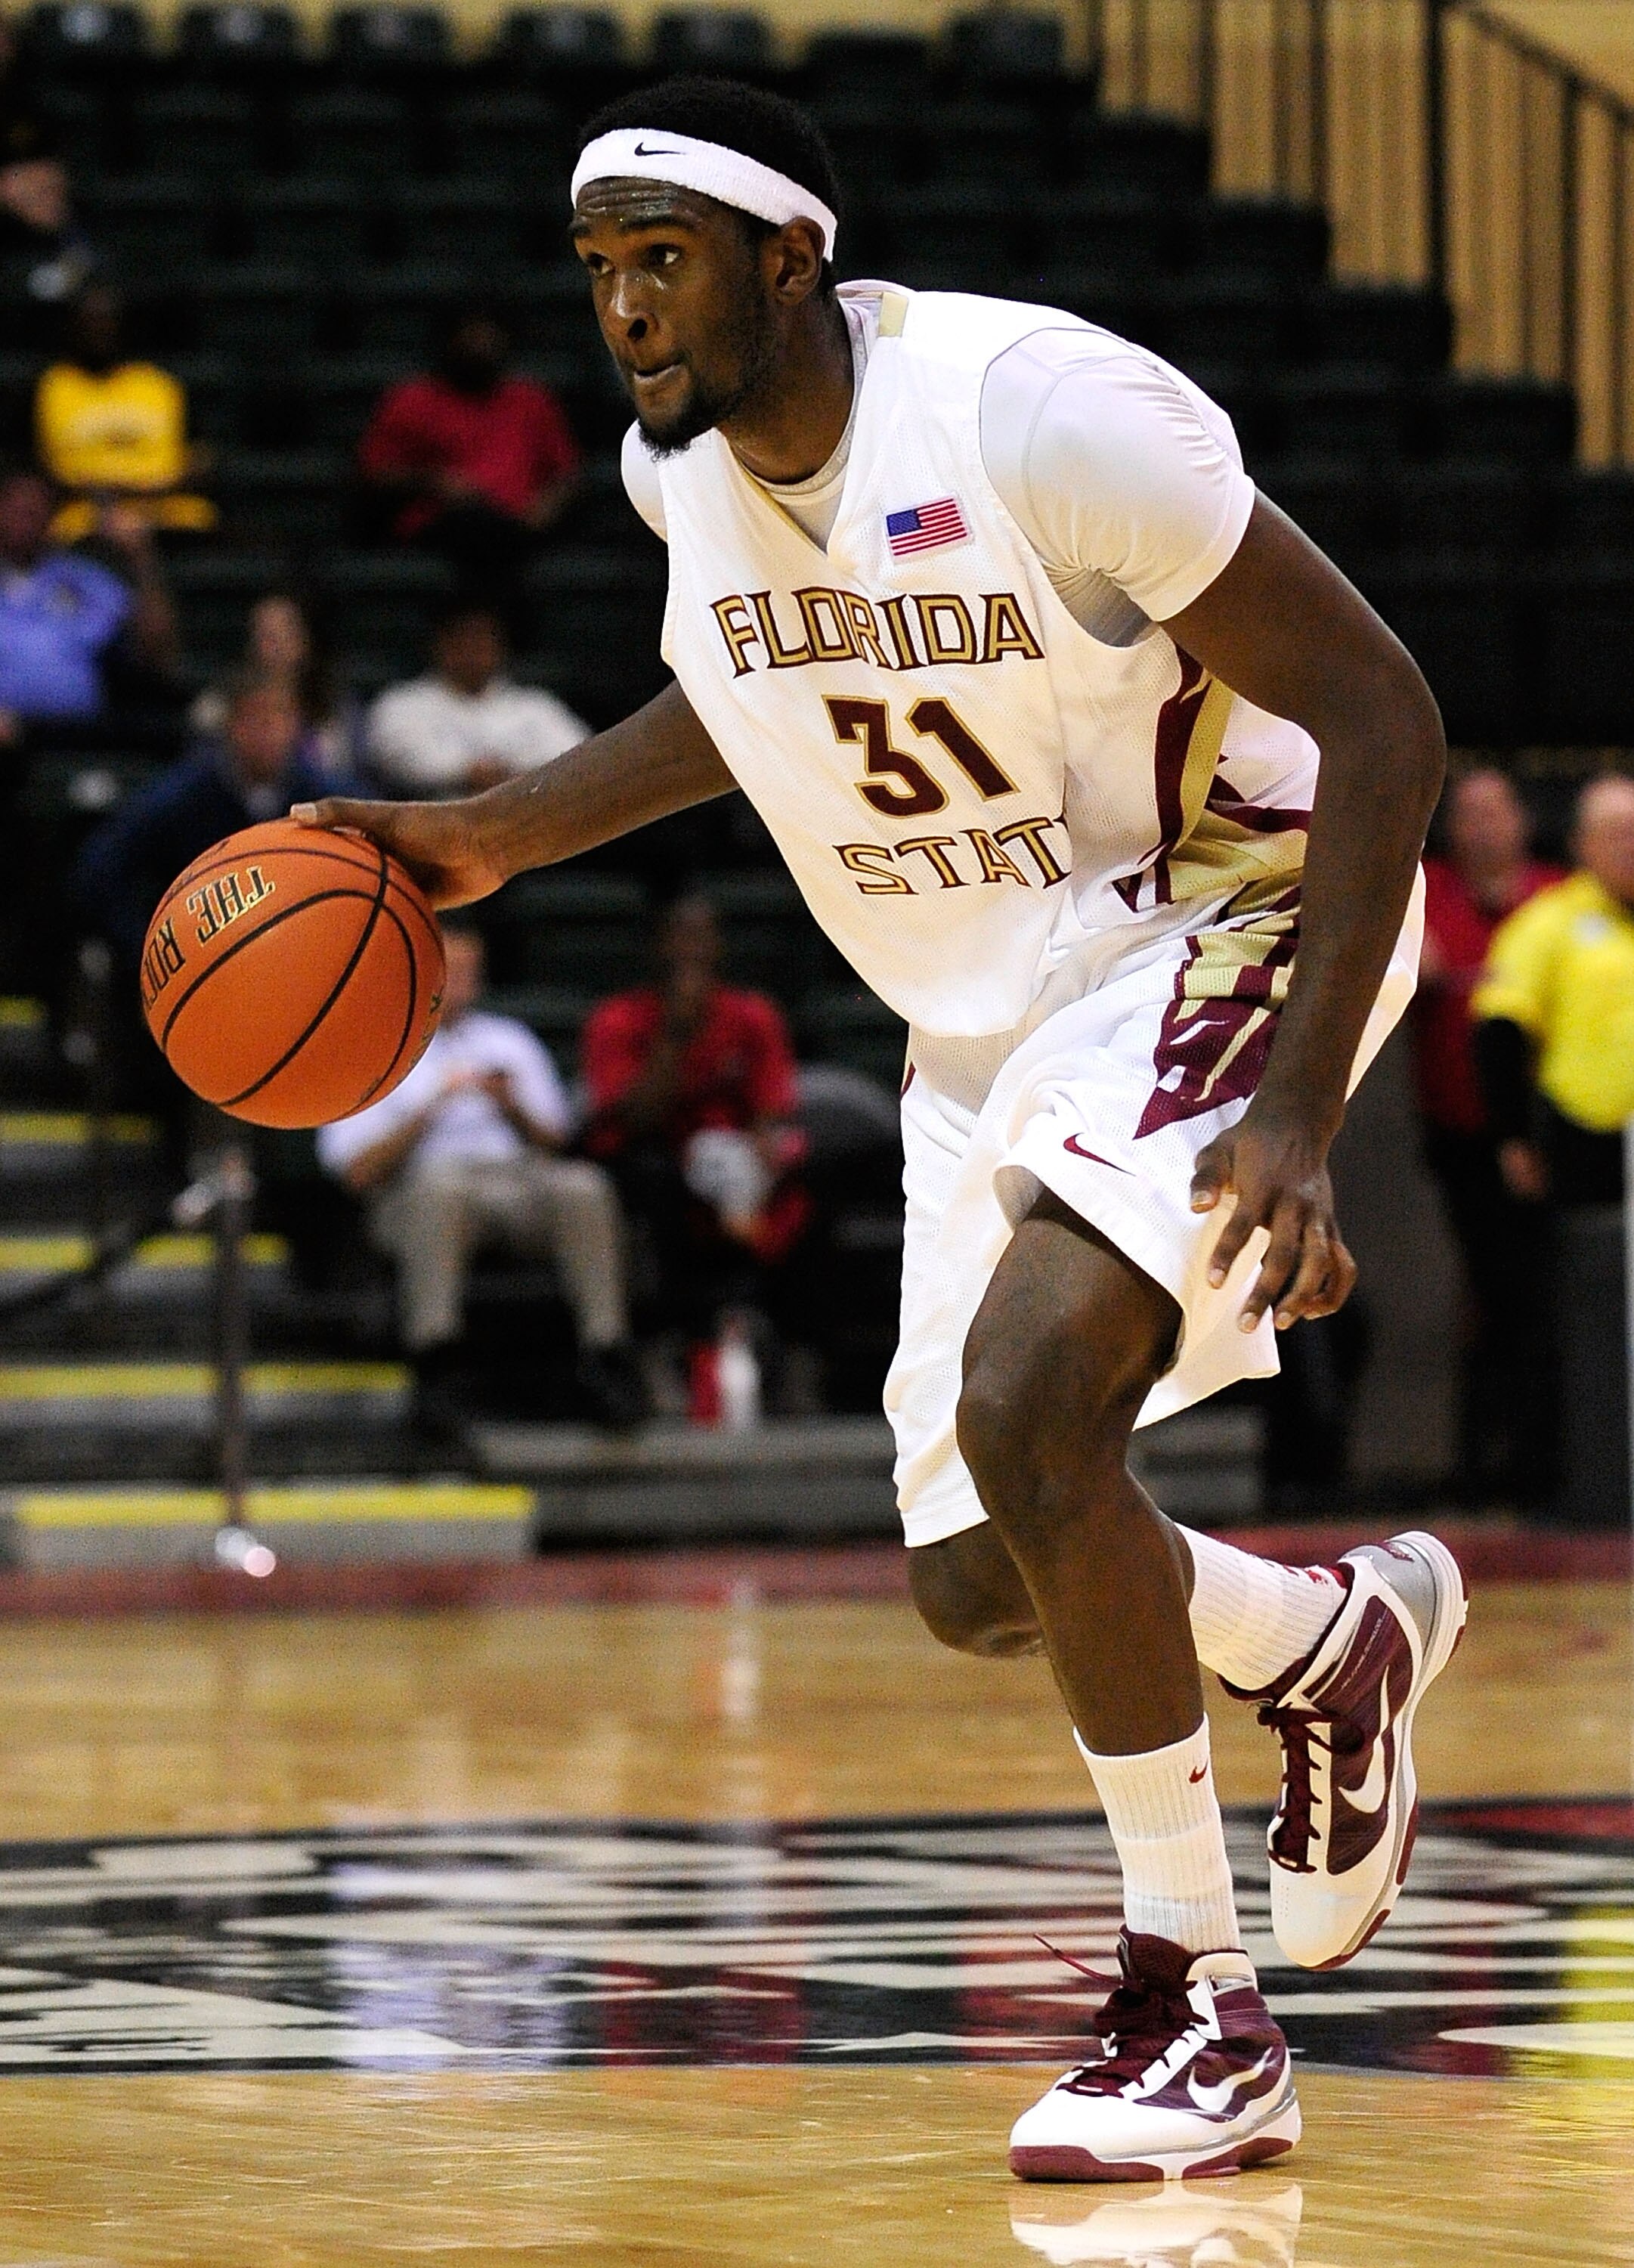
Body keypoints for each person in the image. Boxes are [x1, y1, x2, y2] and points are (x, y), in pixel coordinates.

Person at [296, 77, 1463, 2183]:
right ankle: (1327, 1639)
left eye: (666, 261)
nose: (627, 311)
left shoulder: (1045, 413)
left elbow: (1385, 711)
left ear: (791, 257)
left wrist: (1299, 1114)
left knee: (1038, 1415)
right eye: (599, 271)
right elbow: (740, 707)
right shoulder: (692, 495)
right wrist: (485, 837)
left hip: (1230, 911)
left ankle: (1190, 2006)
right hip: (986, 1004)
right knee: (972, 1573)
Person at [315, 922, 645, 1438]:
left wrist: (509, 1105)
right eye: (450, 970)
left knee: (583, 1186)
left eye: (469, 970)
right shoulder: (375, 1045)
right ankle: (436, 1366)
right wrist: (429, 1110)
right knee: (440, 1187)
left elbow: (558, 1141)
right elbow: (355, 1171)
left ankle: (607, 1357)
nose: (461, 982)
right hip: (416, 1189)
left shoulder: (509, 1041)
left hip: (515, 1180)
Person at [1414, 767, 1562, 1501]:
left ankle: (1546, 1463)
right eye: (1465, 814)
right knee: (1486, 1295)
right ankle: (1487, 1465)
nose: (1480, 827)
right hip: (1456, 1134)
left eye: (1493, 812)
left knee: (1545, 1292)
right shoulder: (1423, 892)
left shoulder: (1557, 900)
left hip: (1546, 1135)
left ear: (1522, 820)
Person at [583, 892, 809, 1338]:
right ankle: (671, 1346)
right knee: (655, 1180)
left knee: (806, 1184)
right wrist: (677, 1034)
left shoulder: (752, 1015)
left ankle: (796, 1348)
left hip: (732, 1156)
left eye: (702, 938)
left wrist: (764, 1162)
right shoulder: (618, 1019)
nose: (692, 952)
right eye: (680, 939)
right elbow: (631, 1121)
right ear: (657, 948)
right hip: (655, 1156)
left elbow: (770, 1110)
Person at [74, 671, 332, 978]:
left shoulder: (321, 796)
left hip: (293, 964)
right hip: (202, 960)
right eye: (256, 717)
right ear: (232, 726)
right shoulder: (185, 795)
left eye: (280, 716)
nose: (269, 730)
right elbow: (99, 869)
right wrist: (150, 954)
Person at [1474, 773, 1634, 1210]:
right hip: (1582, 1141)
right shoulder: (1545, 922)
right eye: (1617, 834)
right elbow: (1502, 1029)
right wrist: (1514, 1137)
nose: (1630, 846)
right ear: (1583, 845)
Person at [356, 305, 581, 593]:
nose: (480, 345)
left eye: (487, 336)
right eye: (471, 336)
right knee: (475, 529)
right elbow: (374, 473)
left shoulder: (531, 400)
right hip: (440, 525)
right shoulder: (411, 399)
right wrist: (434, 482)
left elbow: (567, 476)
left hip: (516, 529)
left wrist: (544, 509)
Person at [0, 466, 178, 745]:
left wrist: (140, 557)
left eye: (35, 511)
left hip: (79, 737)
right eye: (17, 510)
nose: (25, 521)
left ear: (51, 517)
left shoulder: (86, 580)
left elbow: (156, 652)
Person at [36, 284, 217, 542]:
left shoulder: (162, 385)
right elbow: (41, 470)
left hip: (170, 521)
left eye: (107, 319)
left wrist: (139, 491)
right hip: (83, 526)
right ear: (74, 325)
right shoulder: (51, 385)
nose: (100, 328)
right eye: (91, 320)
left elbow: (203, 457)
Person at [365, 603, 587, 798]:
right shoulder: (403, 702)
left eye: (482, 639)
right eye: (463, 638)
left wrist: (509, 773)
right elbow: (392, 759)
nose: (473, 650)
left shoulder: (535, 705)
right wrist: (466, 772)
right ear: (440, 644)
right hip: (432, 826)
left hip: (523, 825)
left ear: (500, 647)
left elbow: (580, 756)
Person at [191, 589, 363, 781]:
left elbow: (350, 777)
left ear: (304, 642)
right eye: (268, 637)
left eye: (286, 635)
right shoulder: (214, 708)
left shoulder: (335, 707)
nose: (277, 648)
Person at [0, 20, 94, 312]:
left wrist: (20, 187)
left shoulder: (33, 99)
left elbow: (56, 168)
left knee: (51, 202)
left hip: (27, 211)